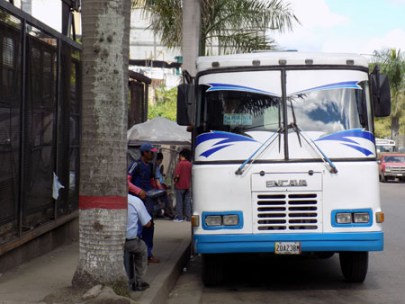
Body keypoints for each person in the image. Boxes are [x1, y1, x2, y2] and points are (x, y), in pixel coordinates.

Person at [127, 143, 160, 264]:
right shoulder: (135, 165)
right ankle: (137, 256)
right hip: (137, 200)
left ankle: (148, 254)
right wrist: (138, 191)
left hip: (148, 200)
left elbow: (152, 181)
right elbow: (127, 181)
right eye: (151, 152)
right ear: (145, 153)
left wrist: (158, 189)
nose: (153, 154)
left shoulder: (150, 166)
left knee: (149, 225)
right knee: (139, 227)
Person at [124, 194, 152, 291]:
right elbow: (147, 223)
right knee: (143, 248)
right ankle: (139, 281)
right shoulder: (134, 201)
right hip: (130, 242)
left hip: (110, 242)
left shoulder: (109, 199)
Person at [173, 149, 192, 222]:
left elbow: (177, 175)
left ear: (181, 155)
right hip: (187, 186)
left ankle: (180, 218)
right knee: (187, 203)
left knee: (179, 203)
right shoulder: (189, 164)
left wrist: (175, 181)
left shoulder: (180, 164)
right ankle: (188, 217)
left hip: (180, 186)